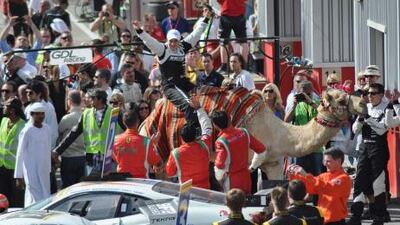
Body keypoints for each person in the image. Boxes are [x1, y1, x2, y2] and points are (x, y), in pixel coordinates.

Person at [133, 14, 210, 131]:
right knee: (189, 105)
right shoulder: (162, 49)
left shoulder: (183, 47)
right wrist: (139, 30)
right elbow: (149, 41)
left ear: (179, 40)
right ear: (168, 41)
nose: (173, 44)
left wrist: (206, 19)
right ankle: (194, 132)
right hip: (170, 86)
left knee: (205, 92)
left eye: (175, 41)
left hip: (184, 82)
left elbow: (197, 33)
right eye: (171, 41)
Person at [53, 89, 125, 175]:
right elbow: (73, 134)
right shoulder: (86, 113)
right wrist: (58, 151)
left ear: (100, 100)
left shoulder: (115, 113)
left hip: (110, 160)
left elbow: (128, 130)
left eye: (92, 98)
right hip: (92, 161)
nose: (89, 100)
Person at [348, 83, 391, 225]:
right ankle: (356, 215)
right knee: (359, 181)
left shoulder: (386, 108)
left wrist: (367, 117)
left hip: (378, 148)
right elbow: (354, 130)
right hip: (364, 147)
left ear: (380, 94)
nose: (370, 96)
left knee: (378, 183)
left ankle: (379, 216)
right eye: (368, 93)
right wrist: (361, 118)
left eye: (373, 93)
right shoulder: (365, 108)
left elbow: (382, 130)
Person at [287, 148, 352, 225]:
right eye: (324, 161)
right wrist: (294, 175)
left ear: (338, 161)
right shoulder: (323, 176)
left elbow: (327, 188)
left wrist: (305, 175)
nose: (324, 164)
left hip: (336, 222)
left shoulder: (344, 178)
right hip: (321, 220)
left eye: (328, 161)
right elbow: (310, 187)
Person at [212, 110, 266, 194]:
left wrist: (220, 180)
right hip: (246, 178)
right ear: (229, 119)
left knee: (233, 205)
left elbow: (219, 166)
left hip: (232, 182)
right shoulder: (244, 132)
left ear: (215, 125)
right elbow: (262, 150)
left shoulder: (221, 142)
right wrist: (253, 167)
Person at [166, 97, 212, 189]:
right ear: (196, 136)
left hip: (186, 193)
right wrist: (198, 108)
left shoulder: (176, 153)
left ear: (181, 138)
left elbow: (169, 173)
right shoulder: (204, 144)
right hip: (205, 191)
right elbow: (207, 127)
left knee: (184, 205)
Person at [15, 102, 52, 207]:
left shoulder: (47, 129)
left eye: (42, 114)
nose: (41, 116)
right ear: (31, 114)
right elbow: (20, 153)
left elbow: (48, 149)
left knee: (45, 194)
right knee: (34, 195)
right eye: (38, 114)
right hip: (30, 169)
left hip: (44, 169)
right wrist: (18, 176)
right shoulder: (27, 130)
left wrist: (48, 168)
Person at [113, 109, 161, 178]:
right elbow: (155, 161)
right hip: (140, 182)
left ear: (124, 122)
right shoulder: (146, 141)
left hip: (122, 181)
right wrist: (154, 145)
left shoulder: (115, 140)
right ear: (138, 122)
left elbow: (116, 158)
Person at [0, 98, 26, 207]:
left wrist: (22, 174)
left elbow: (25, 151)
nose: (3, 108)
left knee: (16, 200)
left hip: (15, 170)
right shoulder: (4, 121)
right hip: (2, 167)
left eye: (5, 106)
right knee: (2, 199)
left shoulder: (23, 126)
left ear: (12, 110)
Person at [57, 91, 85, 188]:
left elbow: (59, 132)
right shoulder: (85, 116)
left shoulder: (66, 118)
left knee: (68, 188)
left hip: (69, 158)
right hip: (82, 157)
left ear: (69, 101)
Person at [216, 0, 248, 73]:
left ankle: (224, 66)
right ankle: (244, 66)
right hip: (240, 13)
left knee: (223, 41)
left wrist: (224, 3)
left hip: (226, 12)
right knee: (243, 41)